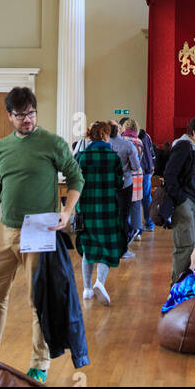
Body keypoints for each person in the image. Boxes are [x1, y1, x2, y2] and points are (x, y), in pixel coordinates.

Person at [0, 86, 83, 384]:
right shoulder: (2, 147)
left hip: (39, 230)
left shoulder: (51, 143)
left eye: (31, 113)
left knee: (38, 299)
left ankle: (40, 363)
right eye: (20, 115)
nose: (27, 119)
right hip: (5, 230)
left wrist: (67, 210)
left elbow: (76, 176)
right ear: (9, 116)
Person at [72, 121, 126, 306]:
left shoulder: (82, 157)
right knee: (107, 247)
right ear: (105, 135)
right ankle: (100, 282)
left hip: (86, 209)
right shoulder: (114, 158)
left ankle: (87, 289)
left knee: (89, 246)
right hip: (107, 209)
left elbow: (75, 183)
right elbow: (119, 183)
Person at [163, 115, 195, 283]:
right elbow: (169, 174)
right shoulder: (183, 146)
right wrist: (182, 199)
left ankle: (193, 283)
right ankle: (177, 286)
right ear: (194, 132)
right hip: (185, 203)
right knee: (185, 246)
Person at [108, 121, 141, 257]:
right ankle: (123, 249)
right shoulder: (128, 145)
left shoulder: (104, 145)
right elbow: (135, 166)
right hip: (124, 183)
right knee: (123, 216)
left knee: (109, 215)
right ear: (118, 130)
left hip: (107, 185)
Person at [121, 117, 156, 231]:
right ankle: (145, 227)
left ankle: (128, 229)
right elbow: (150, 154)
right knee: (141, 200)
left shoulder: (121, 140)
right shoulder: (142, 139)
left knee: (126, 203)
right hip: (141, 173)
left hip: (125, 175)